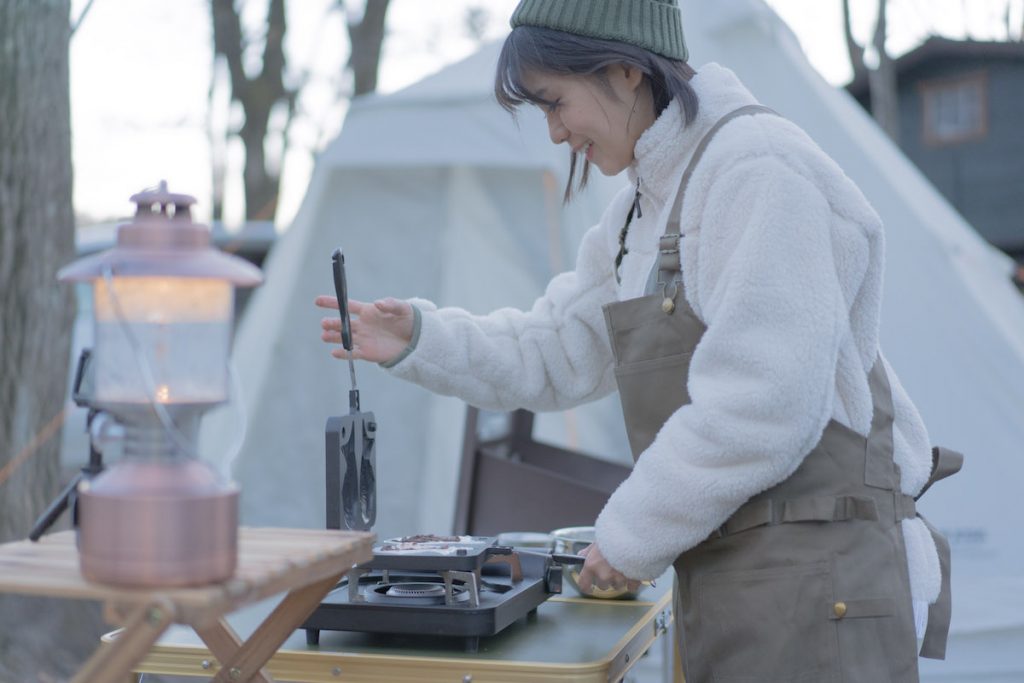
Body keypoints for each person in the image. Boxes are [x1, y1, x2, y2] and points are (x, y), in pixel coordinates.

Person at [317, 1, 961, 679]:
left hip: (818, 581)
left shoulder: (758, 171)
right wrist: (422, 338)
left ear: (625, 70)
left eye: (555, 102)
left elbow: (765, 400)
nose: (556, 134)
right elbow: (557, 347)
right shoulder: (641, 209)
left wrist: (628, 536)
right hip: (734, 579)